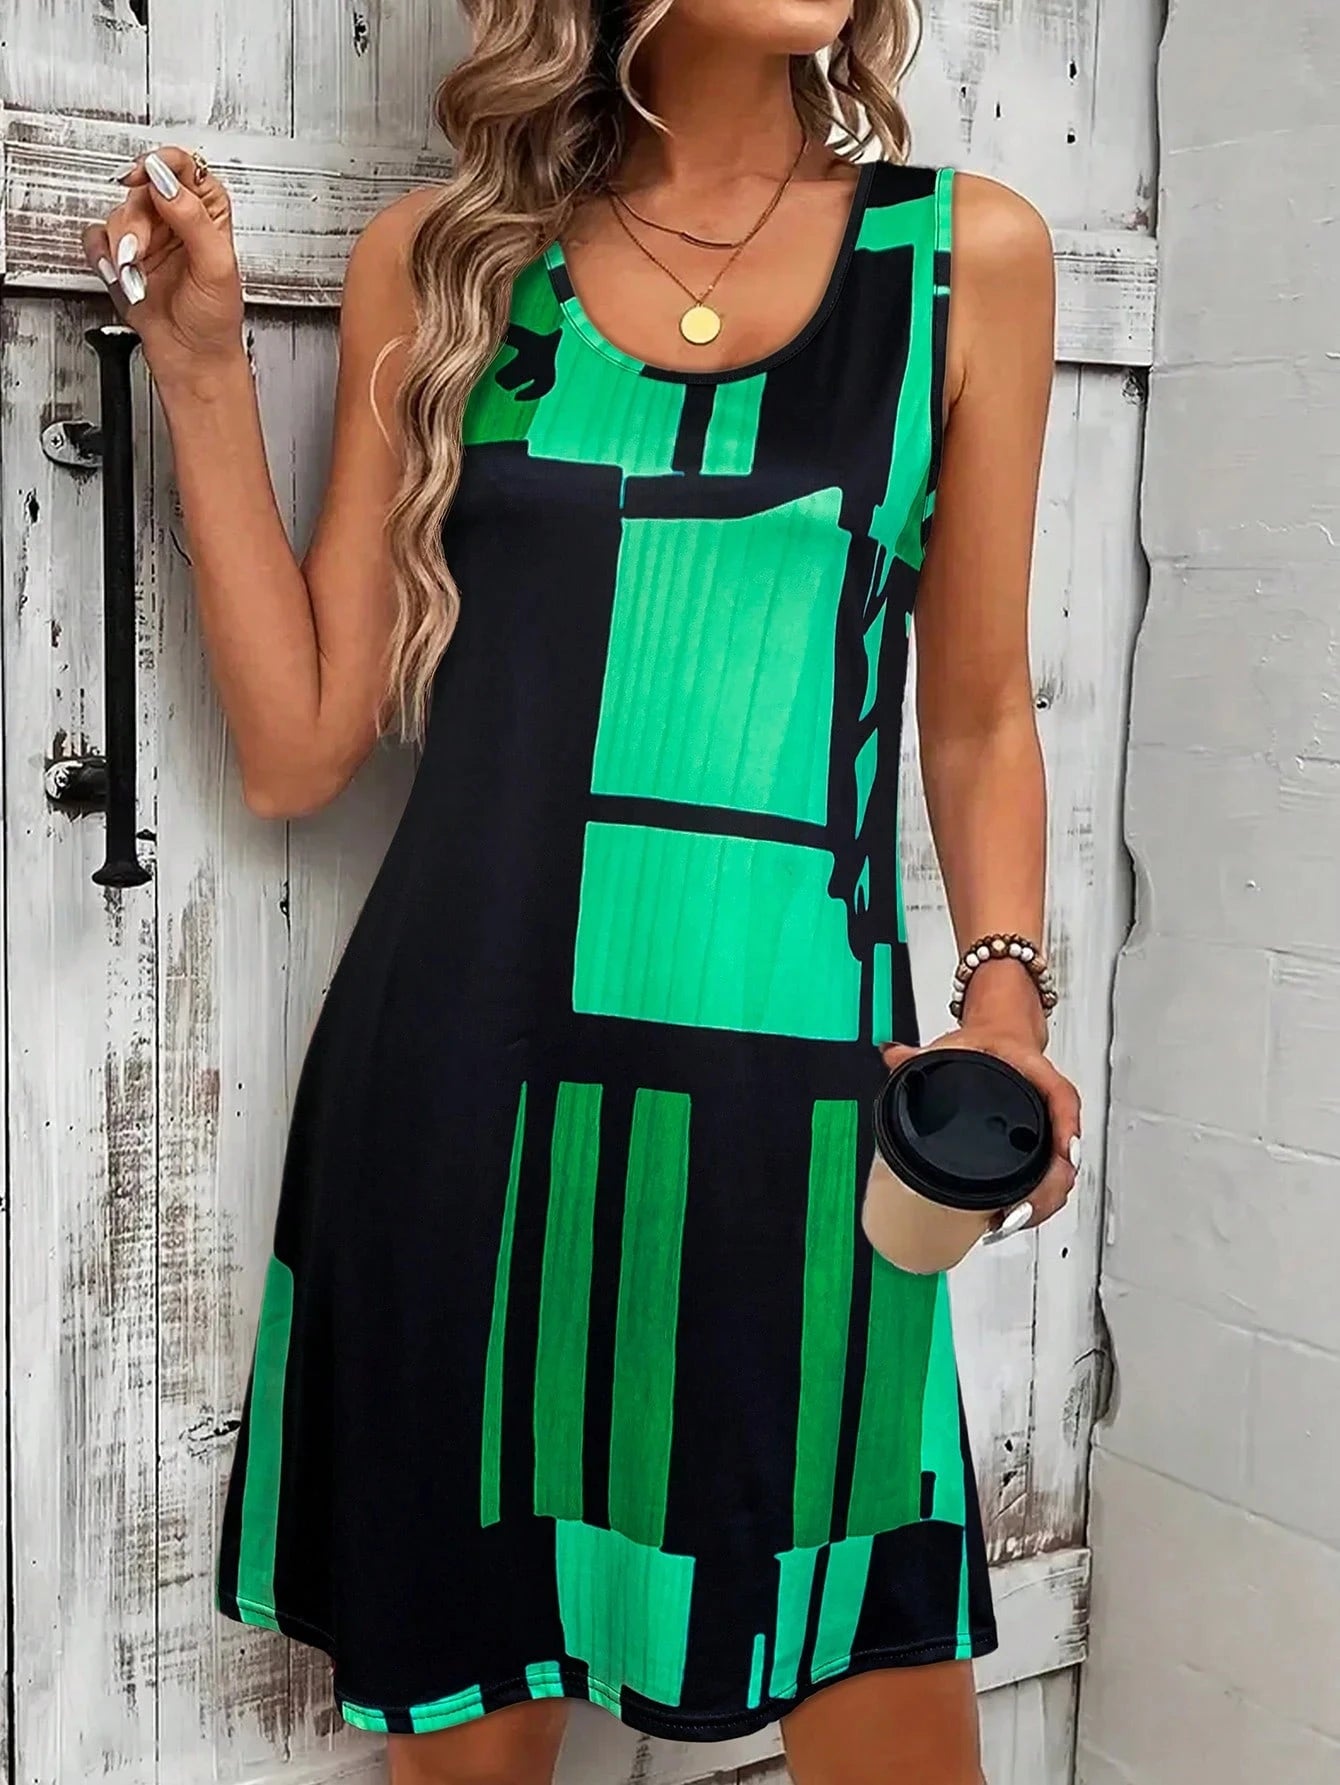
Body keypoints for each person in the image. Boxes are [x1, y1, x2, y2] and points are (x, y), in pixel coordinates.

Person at [84, 2, 1081, 1780]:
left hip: (802, 1127)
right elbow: (301, 748)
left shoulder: (960, 261)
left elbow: (980, 711)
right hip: (469, 1107)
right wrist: (207, 370)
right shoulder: (453, 264)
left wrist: (1001, 994)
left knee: (880, 1679)